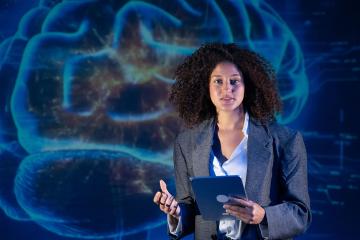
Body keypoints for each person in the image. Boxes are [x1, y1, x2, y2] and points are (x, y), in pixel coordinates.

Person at [153, 43, 311, 240]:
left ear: (248, 85)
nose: (226, 89)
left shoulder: (285, 141)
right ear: (206, 86)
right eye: (217, 81)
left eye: (234, 81)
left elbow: (300, 213)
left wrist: (263, 216)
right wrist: (176, 211)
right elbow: (190, 206)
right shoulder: (186, 143)